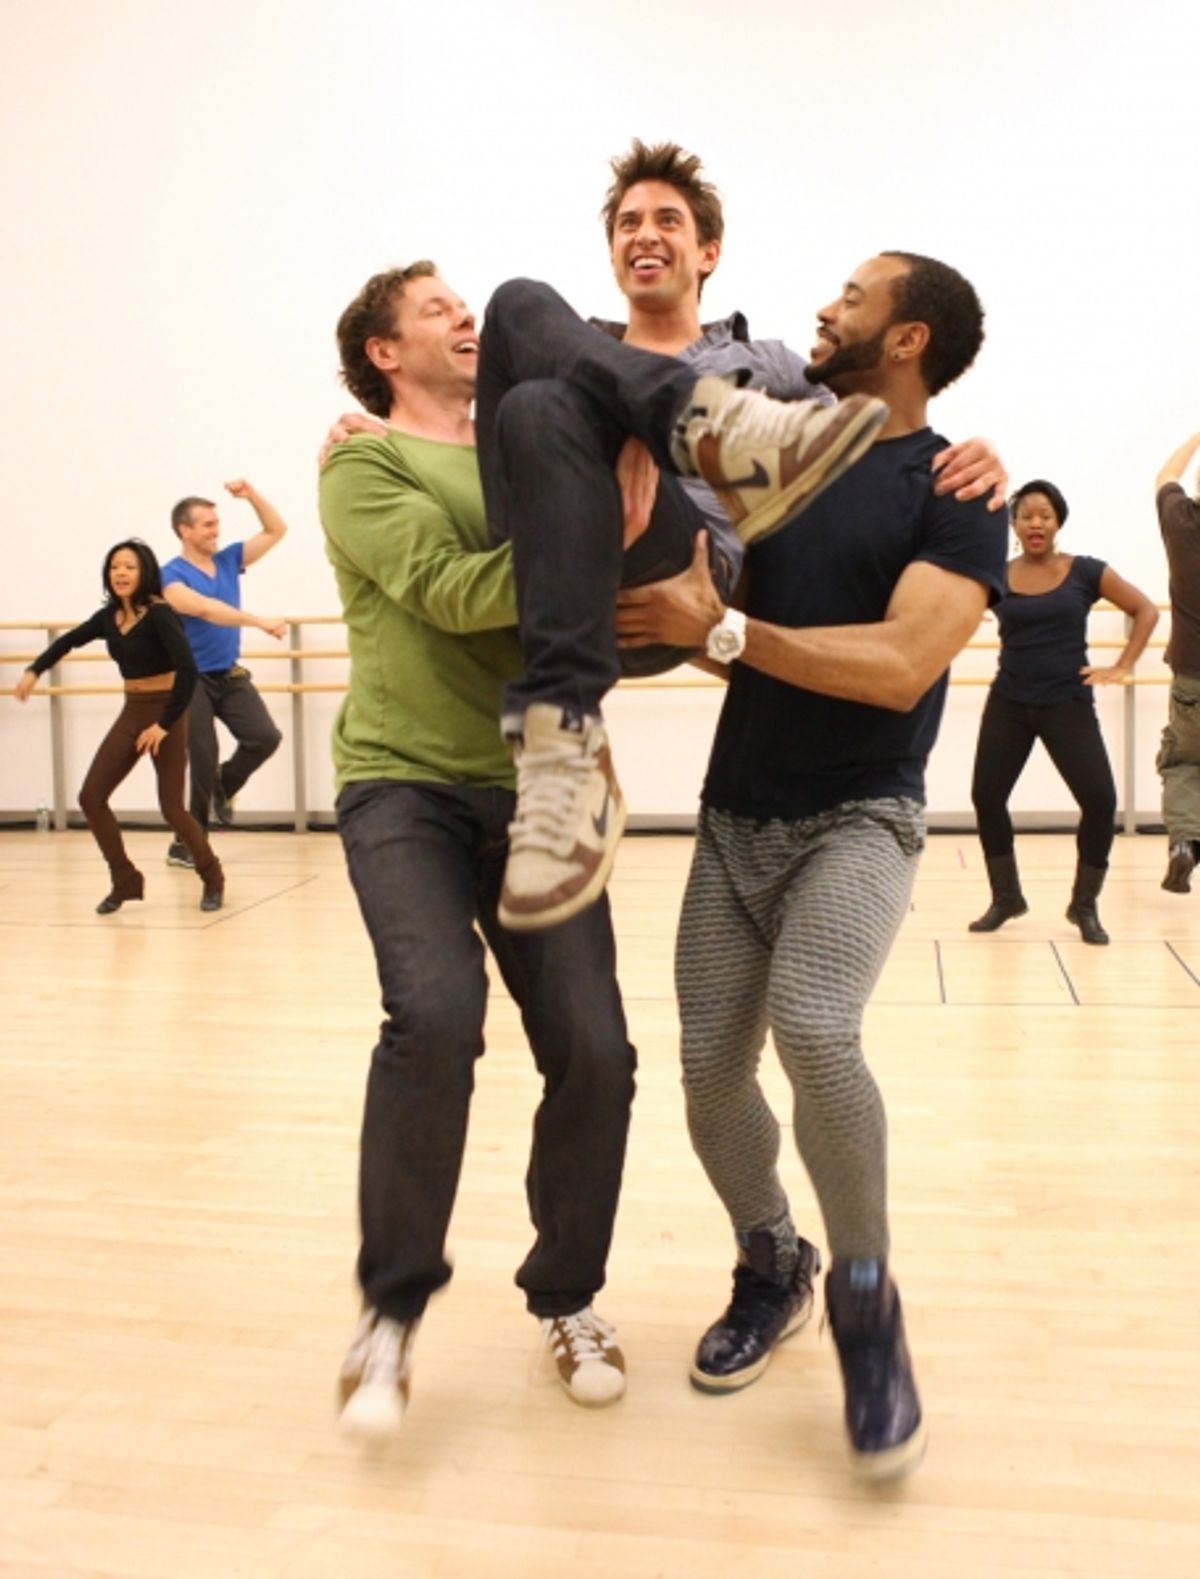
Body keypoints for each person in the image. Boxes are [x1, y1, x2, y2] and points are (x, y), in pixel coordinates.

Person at [327, 142, 1005, 935]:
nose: (644, 232)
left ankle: (563, 737)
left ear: (706, 250)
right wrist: (367, 425)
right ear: (613, 253)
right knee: (528, 355)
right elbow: (469, 429)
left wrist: (979, 455)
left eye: (667, 220)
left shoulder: (770, 365)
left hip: (678, 571)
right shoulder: (566, 344)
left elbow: (886, 421)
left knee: (537, 375)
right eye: (627, 222)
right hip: (564, 565)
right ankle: (697, 427)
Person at [614, 250, 1007, 1480]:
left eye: (852, 296)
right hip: (736, 813)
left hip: (861, 815)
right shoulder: (777, 458)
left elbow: (899, 664)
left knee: (817, 1030)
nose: (823, 308)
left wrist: (722, 628)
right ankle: (771, 1256)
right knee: (704, 1067)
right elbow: (728, 628)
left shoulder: (958, 491)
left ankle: (866, 1301)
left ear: (908, 340)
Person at [319, 262, 639, 1436]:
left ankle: (568, 1296)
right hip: (402, 785)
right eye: (437, 309)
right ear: (385, 353)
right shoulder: (363, 461)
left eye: (468, 304)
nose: (467, 318)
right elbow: (450, 590)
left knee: (597, 1052)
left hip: (540, 786)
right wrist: (588, 547)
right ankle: (391, 1311)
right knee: (437, 1015)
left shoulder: (531, 440)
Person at [967, 480, 1158, 943]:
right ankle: (1006, 897)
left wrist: (1122, 666)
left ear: (1058, 523)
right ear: (1013, 524)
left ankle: (1084, 905)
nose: (1036, 523)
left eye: (1045, 516)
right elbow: (956, 609)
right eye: (1027, 515)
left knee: (1100, 802)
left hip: (1066, 703)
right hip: (1010, 700)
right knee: (987, 797)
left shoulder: (1085, 572)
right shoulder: (996, 572)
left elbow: (1145, 609)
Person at [13, 540, 224, 913]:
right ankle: (125, 880)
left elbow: (188, 672)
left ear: (144, 572)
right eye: (114, 567)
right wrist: (34, 671)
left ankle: (212, 877)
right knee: (91, 798)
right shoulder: (108, 617)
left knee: (172, 809)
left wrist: (163, 725)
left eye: (128, 566)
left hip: (168, 715)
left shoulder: (160, 613)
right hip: (133, 711)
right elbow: (67, 642)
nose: (121, 573)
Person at [160, 481, 287, 866]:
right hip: (190, 680)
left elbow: (275, 530)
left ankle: (223, 787)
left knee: (264, 737)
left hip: (228, 676)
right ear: (185, 530)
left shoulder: (231, 560)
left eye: (217, 524)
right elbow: (203, 609)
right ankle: (188, 846)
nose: (216, 531)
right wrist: (257, 621)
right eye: (207, 525)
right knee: (202, 757)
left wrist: (252, 496)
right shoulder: (169, 575)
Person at [1153, 431, 1200, 894]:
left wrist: (1196, 436)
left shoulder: (1183, 523)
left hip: (1192, 679)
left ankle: (1184, 843)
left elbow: (1166, 476)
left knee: (1184, 764)